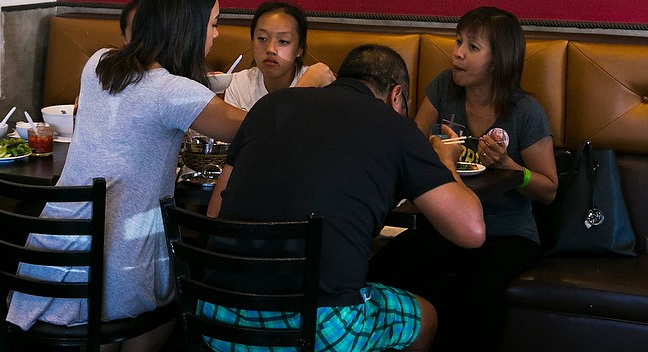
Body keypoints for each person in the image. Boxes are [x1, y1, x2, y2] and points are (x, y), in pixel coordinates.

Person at [6, 0, 248, 352]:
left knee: (116, 311)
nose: (217, 34)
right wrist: (308, 86)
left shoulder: (98, 63)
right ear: (188, 27)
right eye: (214, 23)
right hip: (121, 260)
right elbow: (250, 127)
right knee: (181, 295)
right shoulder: (174, 92)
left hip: (54, 255)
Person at [203, 44, 486, 352]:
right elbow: (471, 231)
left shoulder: (267, 106)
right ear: (396, 96)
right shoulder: (395, 126)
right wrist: (445, 159)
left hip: (219, 319)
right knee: (425, 317)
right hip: (319, 329)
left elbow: (215, 214)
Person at [367, 7, 558, 352]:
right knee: (381, 268)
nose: (457, 53)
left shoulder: (526, 111)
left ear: (498, 61)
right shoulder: (444, 88)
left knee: (478, 294)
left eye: (472, 47)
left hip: (507, 234)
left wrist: (510, 166)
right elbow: (411, 147)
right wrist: (432, 149)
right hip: (443, 227)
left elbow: (548, 189)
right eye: (458, 42)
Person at [220, 0, 334, 110]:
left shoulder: (318, 82)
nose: (270, 49)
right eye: (262, 38)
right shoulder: (238, 84)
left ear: (300, 48)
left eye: (283, 41)